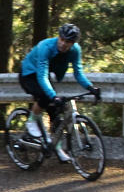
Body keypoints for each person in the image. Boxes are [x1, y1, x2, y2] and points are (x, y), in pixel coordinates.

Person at [18, 23, 101, 162]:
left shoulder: (75, 51)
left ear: (73, 43)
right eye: (61, 39)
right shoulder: (45, 46)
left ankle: (57, 147)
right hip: (29, 74)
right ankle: (31, 121)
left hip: (45, 75)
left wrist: (91, 88)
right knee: (45, 97)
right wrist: (53, 96)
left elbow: (78, 73)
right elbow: (42, 76)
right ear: (59, 37)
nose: (63, 44)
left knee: (56, 113)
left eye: (68, 42)